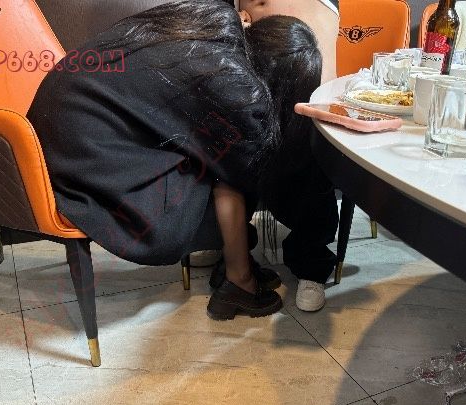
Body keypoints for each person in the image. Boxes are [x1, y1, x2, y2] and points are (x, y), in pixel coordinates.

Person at [27, 0, 322, 320]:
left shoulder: (214, 20)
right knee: (231, 172)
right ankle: (240, 283)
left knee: (224, 153)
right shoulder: (239, 89)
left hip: (53, 121)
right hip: (81, 152)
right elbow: (235, 178)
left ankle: (236, 263)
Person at [228, 0, 341, 313]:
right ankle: (229, 246)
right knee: (226, 162)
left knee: (312, 172)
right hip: (255, 93)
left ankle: (311, 265)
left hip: (309, 99)